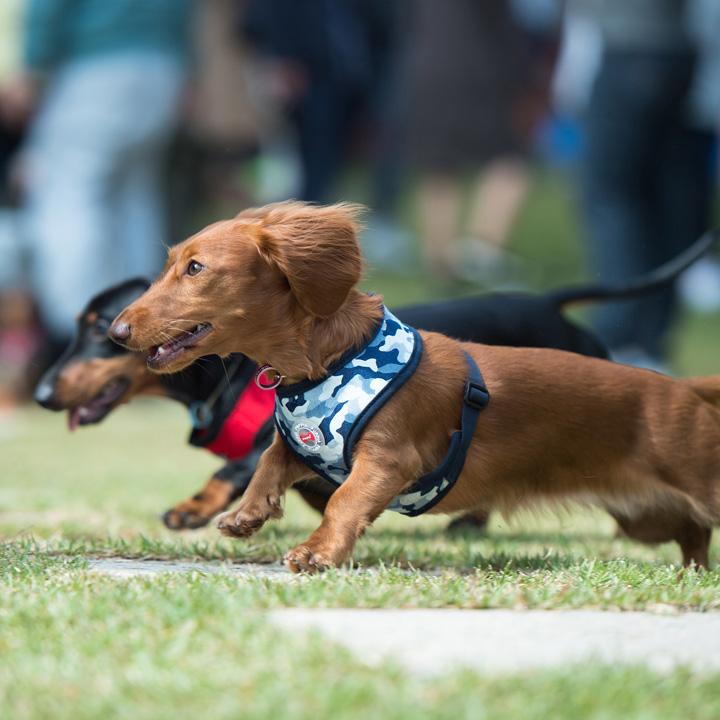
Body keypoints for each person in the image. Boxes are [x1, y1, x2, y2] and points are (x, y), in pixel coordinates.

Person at [7, 0, 193, 355]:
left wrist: (32, 63)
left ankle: (76, 333)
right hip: (161, 65)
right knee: (134, 200)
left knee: (65, 193)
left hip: (92, 63)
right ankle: (146, 325)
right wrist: (184, 64)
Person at [579, 0, 716, 369]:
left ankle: (620, 337)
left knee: (613, 197)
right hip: (681, 53)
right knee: (668, 200)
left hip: (628, 49)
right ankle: (652, 341)